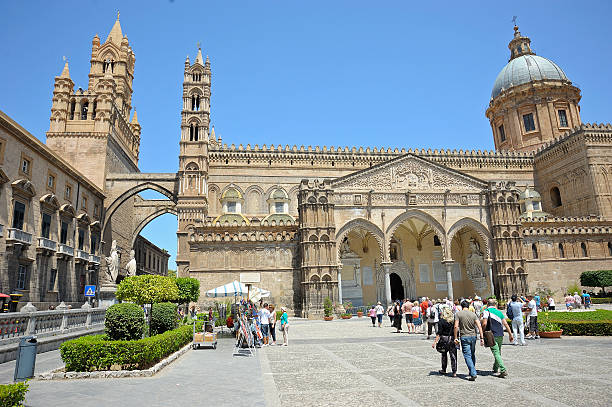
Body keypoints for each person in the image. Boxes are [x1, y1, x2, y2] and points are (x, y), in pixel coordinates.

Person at [481, 299, 514, 378]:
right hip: (500, 334)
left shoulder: (486, 311)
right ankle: (495, 368)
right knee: (498, 351)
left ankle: (503, 369)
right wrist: (510, 334)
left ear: (488, 304)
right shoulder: (499, 312)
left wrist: (482, 331)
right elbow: (505, 324)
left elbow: (484, 323)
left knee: (496, 352)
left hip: (491, 334)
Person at [454, 300, 484, 381]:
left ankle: (473, 372)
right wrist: (481, 337)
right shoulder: (473, 314)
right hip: (473, 336)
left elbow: (456, 327)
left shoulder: (458, 314)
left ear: (461, 306)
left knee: (467, 355)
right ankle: (472, 371)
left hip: (464, 336)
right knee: (472, 354)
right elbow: (479, 326)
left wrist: (455, 337)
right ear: (469, 306)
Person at [432, 306, 457, 377]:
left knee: (443, 354)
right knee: (453, 355)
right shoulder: (454, 320)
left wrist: (435, 342)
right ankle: (454, 371)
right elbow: (456, 329)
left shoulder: (441, 321)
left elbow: (439, 333)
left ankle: (444, 369)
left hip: (444, 339)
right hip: (452, 338)